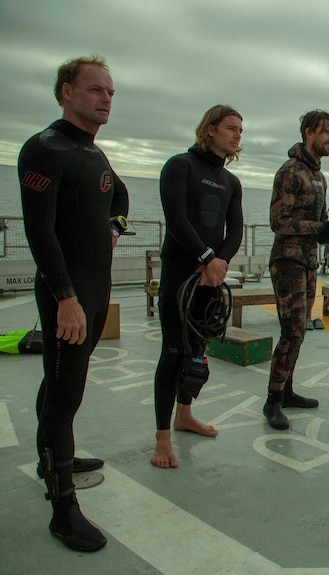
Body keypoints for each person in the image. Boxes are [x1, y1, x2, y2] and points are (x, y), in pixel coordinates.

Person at [19, 55, 129, 552]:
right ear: (66, 91)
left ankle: (55, 454)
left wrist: (114, 228)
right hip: (68, 295)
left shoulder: (95, 155)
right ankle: (63, 508)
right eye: (95, 90)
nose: (105, 98)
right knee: (66, 394)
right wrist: (65, 298)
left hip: (94, 290)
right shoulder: (45, 149)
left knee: (61, 382)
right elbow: (39, 232)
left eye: (109, 92)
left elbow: (121, 198)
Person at [151, 105, 244, 467]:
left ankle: (184, 415)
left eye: (240, 130)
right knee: (173, 353)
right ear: (210, 130)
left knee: (196, 351)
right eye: (230, 128)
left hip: (210, 277)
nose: (237, 135)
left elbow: (235, 229)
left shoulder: (231, 182)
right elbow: (175, 219)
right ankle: (162, 440)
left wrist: (218, 263)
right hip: (181, 275)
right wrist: (208, 258)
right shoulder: (180, 166)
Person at [263, 110, 329, 429]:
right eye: (327, 132)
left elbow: (319, 224)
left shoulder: (319, 176)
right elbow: (278, 221)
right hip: (288, 261)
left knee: (298, 333)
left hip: (309, 261)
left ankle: (286, 391)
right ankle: (272, 401)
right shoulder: (290, 171)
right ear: (309, 133)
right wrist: (318, 227)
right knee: (293, 330)